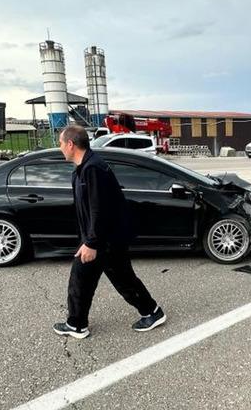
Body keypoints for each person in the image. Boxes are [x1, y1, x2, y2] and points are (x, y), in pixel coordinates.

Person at [52, 125, 166, 339]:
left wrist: (92, 243)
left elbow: (99, 209)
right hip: (105, 239)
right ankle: (152, 312)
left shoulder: (92, 169)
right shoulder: (84, 168)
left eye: (60, 143)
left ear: (70, 144)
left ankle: (77, 324)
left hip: (104, 240)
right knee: (123, 279)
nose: (59, 148)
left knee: (81, 279)